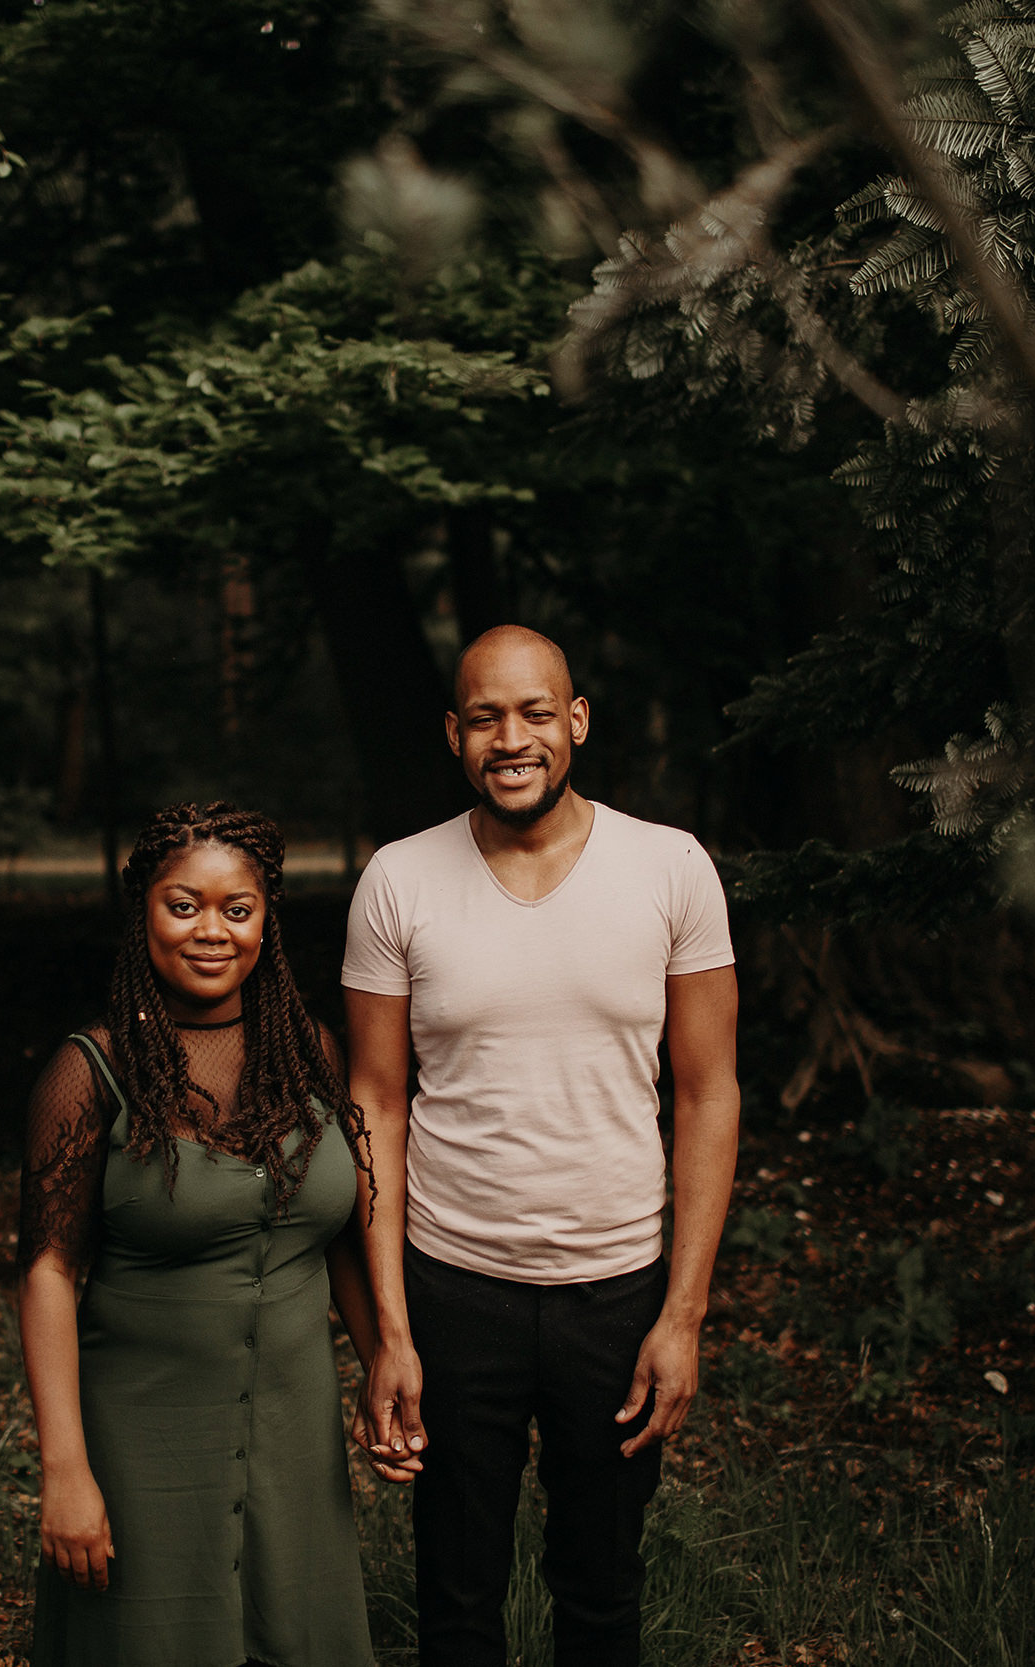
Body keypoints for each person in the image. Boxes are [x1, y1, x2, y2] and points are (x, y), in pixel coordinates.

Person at [341, 625, 741, 1667]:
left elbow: (707, 1093)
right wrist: (388, 1324)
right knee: (455, 1595)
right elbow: (374, 1103)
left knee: (602, 1590)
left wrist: (683, 1315)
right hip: (451, 1283)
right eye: (483, 716)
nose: (508, 738)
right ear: (452, 732)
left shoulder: (670, 867)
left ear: (576, 720)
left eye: (532, 712)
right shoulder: (396, 879)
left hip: (613, 1291)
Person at [18, 802, 382, 1667]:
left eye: (237, 908)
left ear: (267, 919)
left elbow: (333, 1241)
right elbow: (47, 1276)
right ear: (143, 908)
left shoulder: (309, 1055)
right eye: (183, 905)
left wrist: (383, 1367)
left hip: (295, 1439)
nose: (211, 930)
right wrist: (66, 1470)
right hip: (144, 1442)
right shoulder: (87, 1072)